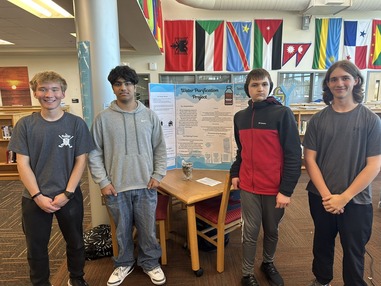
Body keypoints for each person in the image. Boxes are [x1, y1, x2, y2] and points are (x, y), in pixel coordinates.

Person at [8, 71, 94, 286]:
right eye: (43, 89)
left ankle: (76, 279)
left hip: (69, 195)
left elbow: (80, 161)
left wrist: (67, 193)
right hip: (34, 197)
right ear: (35, 93)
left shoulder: (76, 124)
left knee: (75, 243)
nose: (49, 94)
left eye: (55, 89)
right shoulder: (25, 125)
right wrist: (37, 196)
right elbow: (22, 164)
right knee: (36, 247)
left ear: (63, 93)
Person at [303, 60, 381, 286]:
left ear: (356, 80)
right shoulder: (318, 120)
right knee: (322, 244)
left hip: (357, 201)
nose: (340, 83)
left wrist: (344, 197)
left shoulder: (371, 121)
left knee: (354, 250)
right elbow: (310, 159)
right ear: (328, 84)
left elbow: (374, 164)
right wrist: (329, 197)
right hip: (321, 198)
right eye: (334, 79)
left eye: (345, 78)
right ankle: (322, 280)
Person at [88, 65, 167, 286]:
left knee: (147, 229)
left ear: (135, 86)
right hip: (116, 187)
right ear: (113, 88)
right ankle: (123, 263)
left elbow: (160, 148)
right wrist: (103, 182)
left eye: (128, 83)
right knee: (122, 231)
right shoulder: (102, 119)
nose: (123, 88)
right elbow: (94, 153)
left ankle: (150, 263)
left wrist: (158, 175)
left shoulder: (150, 116)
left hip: (146, 185)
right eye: (118, 84)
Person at [230, 68, 302, 286]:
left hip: (274, 188)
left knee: (271, 229)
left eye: (263, 84)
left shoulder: (282, 114)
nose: (259, 88)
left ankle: (268, 262)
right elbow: (241, 151)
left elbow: (293, 155)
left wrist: (286, 191)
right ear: (247, 89)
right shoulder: (240, 117)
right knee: (250, 232)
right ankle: (247, 274)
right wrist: (235, 172)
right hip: (249, 187)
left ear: (269, 87)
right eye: (254, 85)